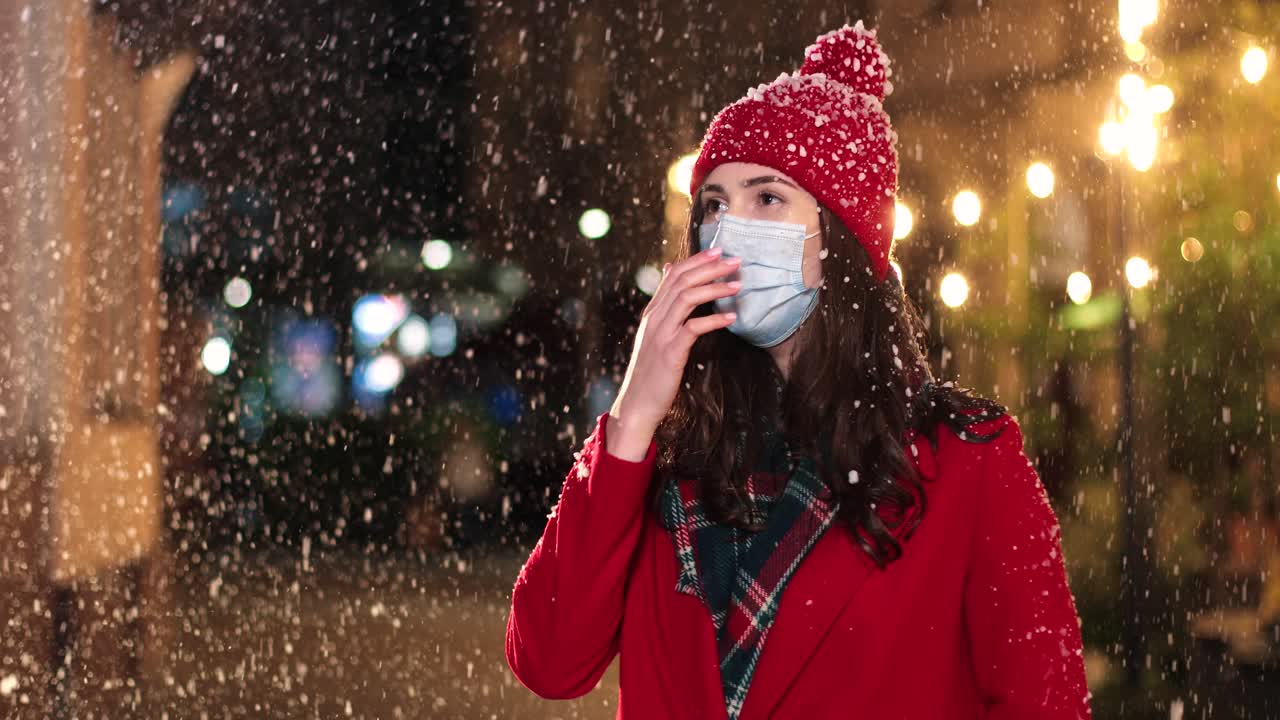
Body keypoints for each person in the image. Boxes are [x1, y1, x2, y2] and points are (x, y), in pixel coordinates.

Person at [505, 20, 1091, 720]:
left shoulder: (967, 461)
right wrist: (632, 419)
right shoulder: (671, 451)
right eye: (714, 205)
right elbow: (549, 662)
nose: (729, 231)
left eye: (767, 198)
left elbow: (1046, 703)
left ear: (840, 236)